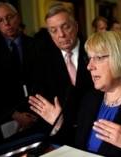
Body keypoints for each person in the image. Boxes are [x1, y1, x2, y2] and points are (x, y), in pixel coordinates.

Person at [28, 31, 121, 156]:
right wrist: (60, 125)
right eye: (89, 58)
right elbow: (77, 148)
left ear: (120, 58)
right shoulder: (90, 98)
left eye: (98, 58)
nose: (89, 66)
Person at [30, 3, 93, 146]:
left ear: (76, 26)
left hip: (94, 133)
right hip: (59, 137)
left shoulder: (94, 52)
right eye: (54, 30)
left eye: (65, 27)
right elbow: (42, 104)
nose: (61, 35)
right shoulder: (43, 61)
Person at [0, 2, 45, 145]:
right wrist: (16, 115)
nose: (6, 23)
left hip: (38, 116)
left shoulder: (40, 46)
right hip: (6, 120)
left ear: (17, 18)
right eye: (0, 21)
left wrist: (37, 113)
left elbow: (45, 82)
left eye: (9, 17)